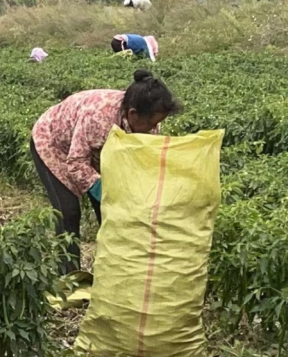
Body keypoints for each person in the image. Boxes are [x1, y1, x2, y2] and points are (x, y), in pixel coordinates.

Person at [30, 70, 181, 276]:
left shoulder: (147, 121)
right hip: (54, 144)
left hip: (97, 154)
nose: (154, 128)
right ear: (133, 114)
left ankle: (114, 272)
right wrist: (100, 189)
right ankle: (69, 277)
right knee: (68, 211)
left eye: (157, 123)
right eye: (151, 123)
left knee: (113, 212)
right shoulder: (99, 117)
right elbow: (76, 163)